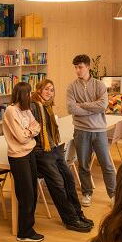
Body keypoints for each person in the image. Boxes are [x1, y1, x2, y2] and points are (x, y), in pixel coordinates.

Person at [30, 79, 93, 233]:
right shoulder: (33, 106)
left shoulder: (47, 106)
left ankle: (78, 214)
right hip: (41, 151)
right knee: (58, 184)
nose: (49, 92)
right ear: (39, 89)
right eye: (46, 89)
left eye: (52, 90)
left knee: (69, 180)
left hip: (54, 148)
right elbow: (32, 129)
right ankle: (70, 220)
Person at [66, 54, 116, 207]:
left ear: (88, 67)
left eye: (80, 67)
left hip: (99, 130)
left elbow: (102, 106)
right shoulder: (72, 87)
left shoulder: (99, 85)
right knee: (83, 165)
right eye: (75, 67)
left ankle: (114, 194)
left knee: (107, 164)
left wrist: (82, 105)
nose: (77, 70)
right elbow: (71, 108)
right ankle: (86, 193)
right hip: (81, 131)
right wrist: (92, 107)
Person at [3, 82, 43, 242]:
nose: (31, 96)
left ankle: (29, 226)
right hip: (18, 156)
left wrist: (29, 131)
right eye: (28, 93)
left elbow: (37, 126)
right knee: (25, 194)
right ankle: (24, 232)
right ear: (22, 95)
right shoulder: (11, 110)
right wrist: (30, 131)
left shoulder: (26, 110)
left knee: (33, 191)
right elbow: (20, 137)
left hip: (30, 152)